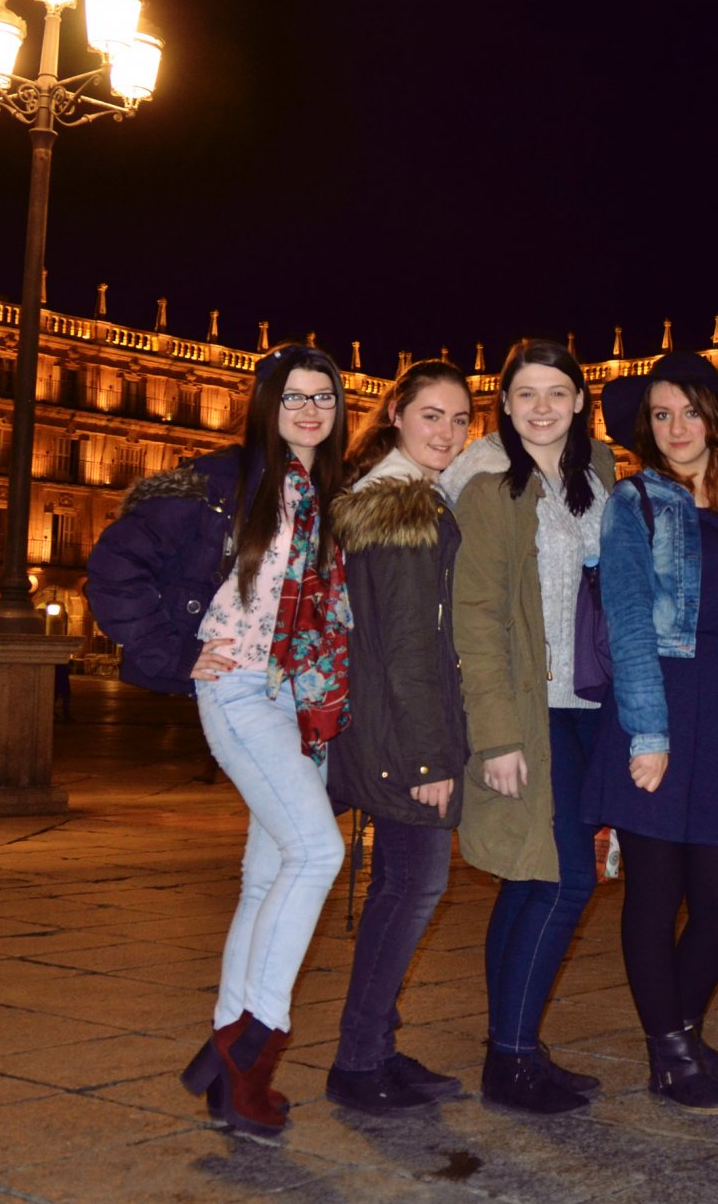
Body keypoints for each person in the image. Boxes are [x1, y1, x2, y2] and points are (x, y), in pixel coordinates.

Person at [86, 343, 353, 1141]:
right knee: (318, 853)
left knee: (267, 869)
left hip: (300, 698)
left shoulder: (329, 492)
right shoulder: (218, 482)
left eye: (324, 399)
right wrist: (174, 653)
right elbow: (115, 564)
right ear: (265, 404)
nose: (309, 411)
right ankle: (251, 1052)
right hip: (239, 689)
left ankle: (223, 1038)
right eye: (294, 397)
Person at [585, 354, 718, 1113]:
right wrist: (648, 731)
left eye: (689, 412)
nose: (676, 428)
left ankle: (683, 1028)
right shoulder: (634, 501)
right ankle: (669, 1052)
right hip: (660, 701)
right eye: (661, 415)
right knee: (656, 894)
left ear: (715, 419)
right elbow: (628, 617)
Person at [441, 339, 617, 1116]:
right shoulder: (489, 489)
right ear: (504, 406)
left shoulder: (598, 478)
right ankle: (511, 1056)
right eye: (525, 395)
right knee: (562, 877)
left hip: (588, 709)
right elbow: (475, 618)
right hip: (530, 709)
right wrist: (496, 735)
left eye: (556, 393)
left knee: (528, 880)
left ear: (581, 400)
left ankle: (512, 1046)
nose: (542, 408)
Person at [321, 360, 476, 1117]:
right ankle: (358, 1059)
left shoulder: (389, 496)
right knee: (412, 889)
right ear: (396, 416)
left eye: (459, 418)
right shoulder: (404, 507)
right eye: (431, 416)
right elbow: (414, 642)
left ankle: (374, 1044)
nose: (446, 432)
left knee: (401, 889)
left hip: (376, 725)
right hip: (400, 735)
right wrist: (429, 757)